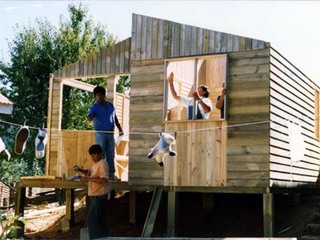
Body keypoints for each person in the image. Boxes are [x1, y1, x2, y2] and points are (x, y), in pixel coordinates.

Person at [75, 144, 110, 239]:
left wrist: (88, 179)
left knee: (92, 219)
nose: (93, 157)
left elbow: (104, 180)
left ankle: (96, 238)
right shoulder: (96, 164)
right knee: (100, 219)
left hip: (99, 195)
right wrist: (80, 170)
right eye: (91, 156)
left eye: (95, 155)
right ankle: (104, 237)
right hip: (95, 195)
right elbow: (89, 172)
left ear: (100, 154)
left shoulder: (102, 163)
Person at [88, 86, 123, 181]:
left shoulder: (110, 105)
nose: (99, 97)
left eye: (100, 95)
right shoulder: (94, 107)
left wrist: (120, 128)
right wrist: (90, 118)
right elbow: (90, 116)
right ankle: (100, 174)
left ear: (104, 95)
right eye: (97, 95)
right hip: (101, 133)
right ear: (95, 96)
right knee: (100, 154)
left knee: (111, 154)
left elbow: (115, 117)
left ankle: (111, 175)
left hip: (111, 133)